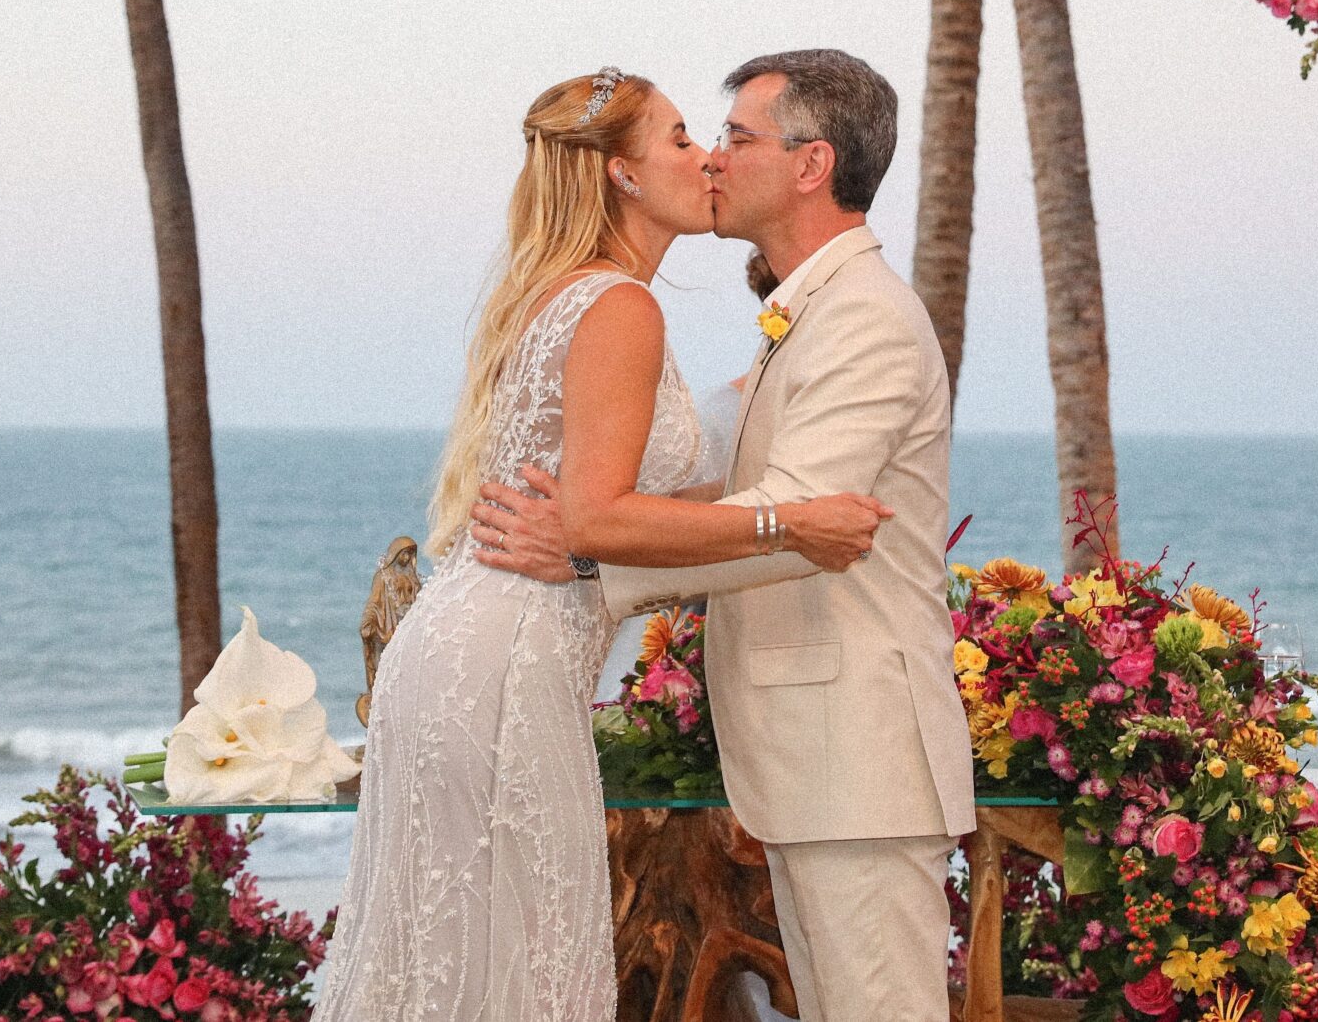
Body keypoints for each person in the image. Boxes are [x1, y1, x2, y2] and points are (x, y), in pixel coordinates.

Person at [314, 68, 891, 1022]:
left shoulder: (576, 294)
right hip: (502, 666)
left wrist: (767, 463)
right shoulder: (620, 305)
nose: (707, 157)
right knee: (517, 970)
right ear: (623, 174)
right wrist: (788, 523)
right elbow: (596, 520)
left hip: (473, 649)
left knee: (464, 969)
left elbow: (617, 503)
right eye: (680, 138)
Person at [476, 50, 974, 1022]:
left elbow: (799, 524)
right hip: (823, 770)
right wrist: (600, 528)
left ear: (811, 164)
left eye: (738, 137)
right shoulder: (811, 310)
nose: (713, 158)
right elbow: (764, 500)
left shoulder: (864, 318)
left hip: (859, 764)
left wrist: (585, 553)